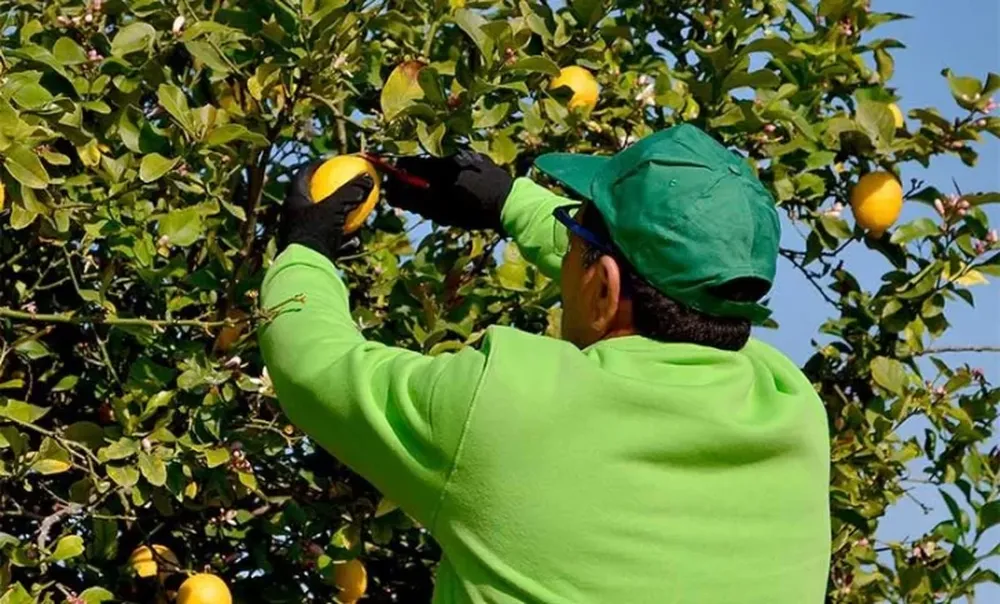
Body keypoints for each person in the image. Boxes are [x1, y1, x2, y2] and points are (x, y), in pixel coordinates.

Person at [259, 124, 831, 603]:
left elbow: (314, 363)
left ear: (604, 288)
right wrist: (510, 203)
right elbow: (677, 296)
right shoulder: (794, 409)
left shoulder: (503, 404)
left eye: (574, 231)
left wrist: (305, 248)